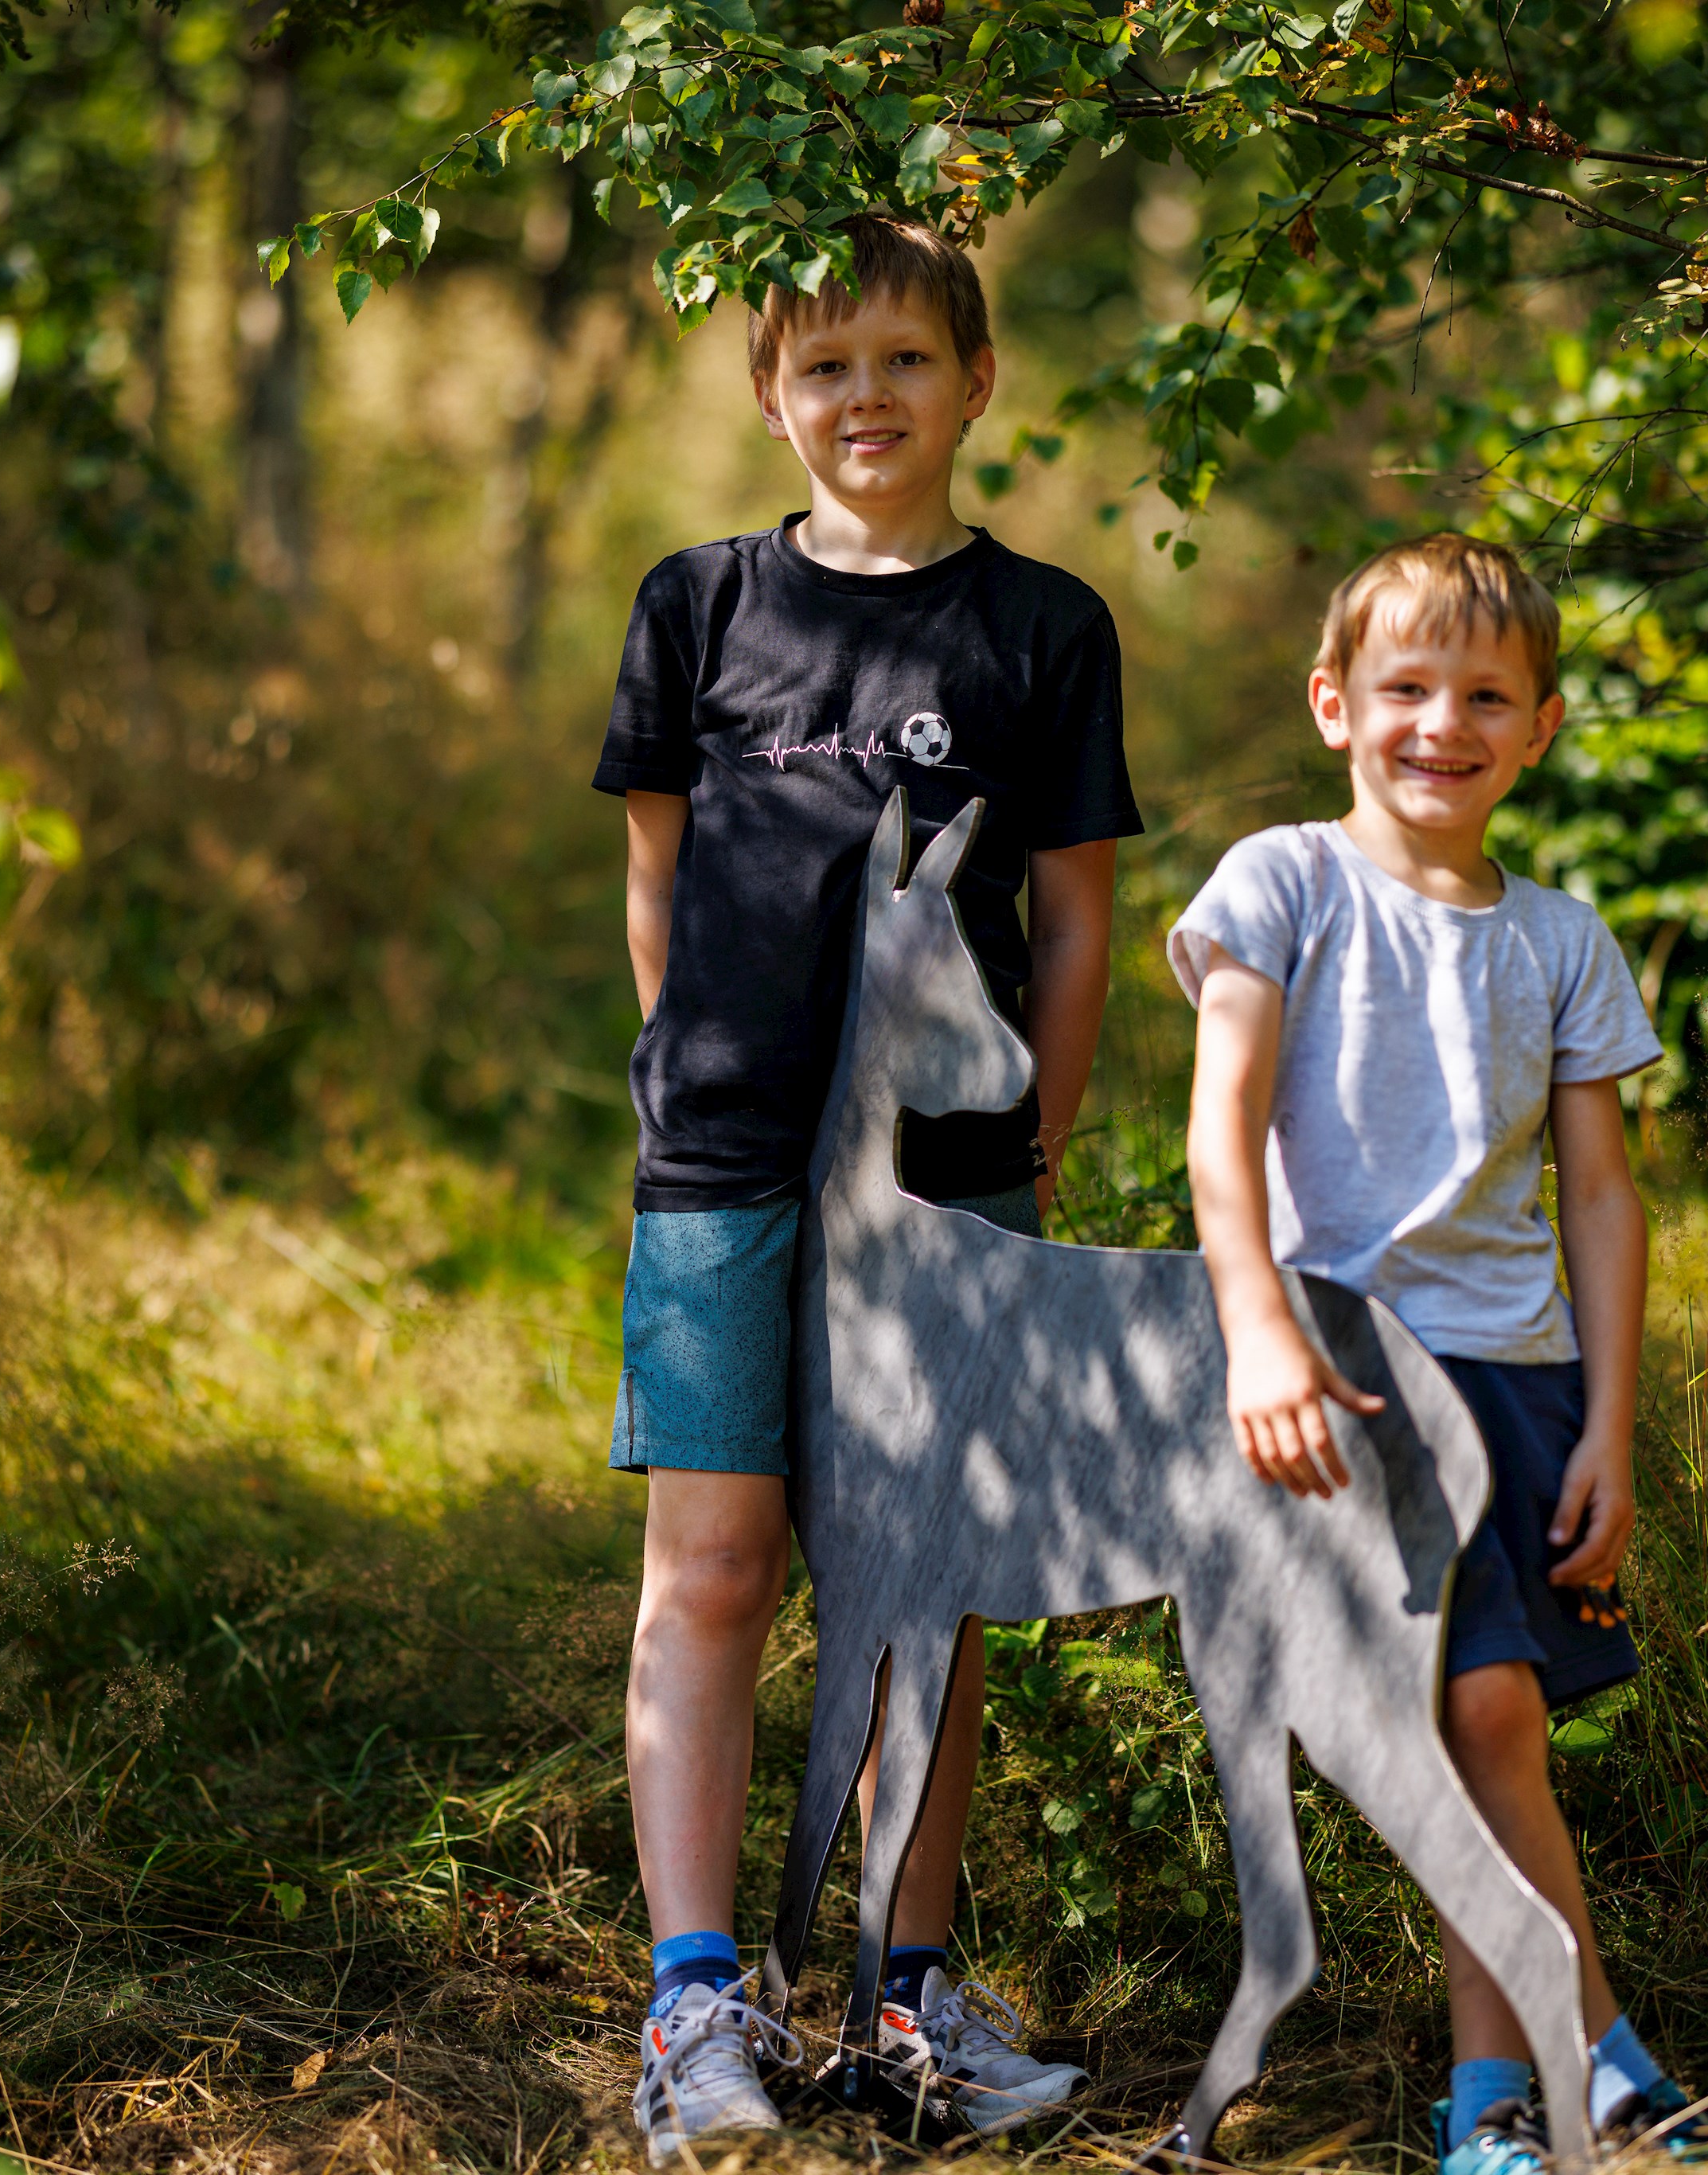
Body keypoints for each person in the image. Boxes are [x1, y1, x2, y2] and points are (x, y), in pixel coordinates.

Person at [593, 213, 1142, 2165]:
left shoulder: (1038, 627)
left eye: (904, 361)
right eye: (822, 367)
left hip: (950, 1188)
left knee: (916, 1602)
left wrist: (1031, 1146)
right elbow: (660, 870)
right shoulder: (698, 605)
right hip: (725, 1160)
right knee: (715, 1570)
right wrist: (689, 1072)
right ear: (767, 393)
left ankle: (905, 2004)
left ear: (975, 382)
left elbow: (1072, 920)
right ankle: (693, 2009)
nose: (864, 399)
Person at [1171, 534, 1698, 2172]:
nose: (1438, 724)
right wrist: (1254, 1322)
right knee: (1477, 1711)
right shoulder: (1282, 881)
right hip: (1339, 1371)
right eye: (1402, 688)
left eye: (1483, 695)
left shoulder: (1559, 939)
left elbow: (1601, 1196)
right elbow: (1222, 1119)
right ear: (1335, 705)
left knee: (1492, 1735)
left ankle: (1492, 2110)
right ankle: (1593, 2050)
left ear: (1538, 726)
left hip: (1522, 1379)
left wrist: (1609, 1422)